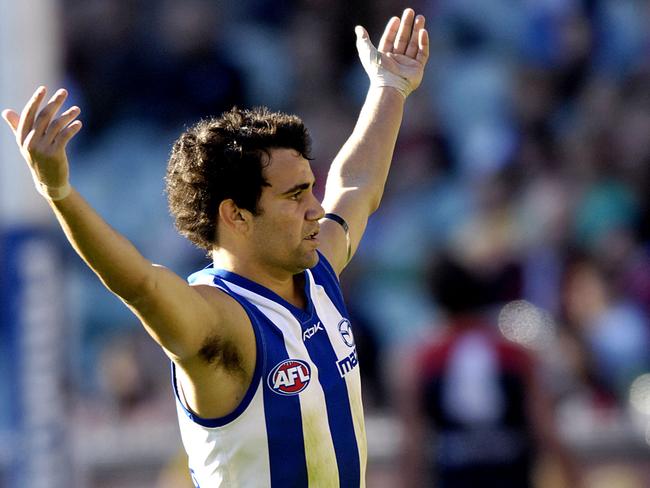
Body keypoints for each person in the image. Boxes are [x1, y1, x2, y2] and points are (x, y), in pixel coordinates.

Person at [2, 8, 428, 487]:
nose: (315, 208)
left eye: (310, 189)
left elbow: (356, 187)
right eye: (294, 196)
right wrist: (58, 192)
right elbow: (140, 283)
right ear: (236, 215)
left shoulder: (318, 268)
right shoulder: (219, 320)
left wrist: (389, 86)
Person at [397, 255, 581, 488]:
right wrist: (575, 477)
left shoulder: (422, 360)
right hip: (511, 475)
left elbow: (413, 442)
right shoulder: (515, 354)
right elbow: (544, 427)